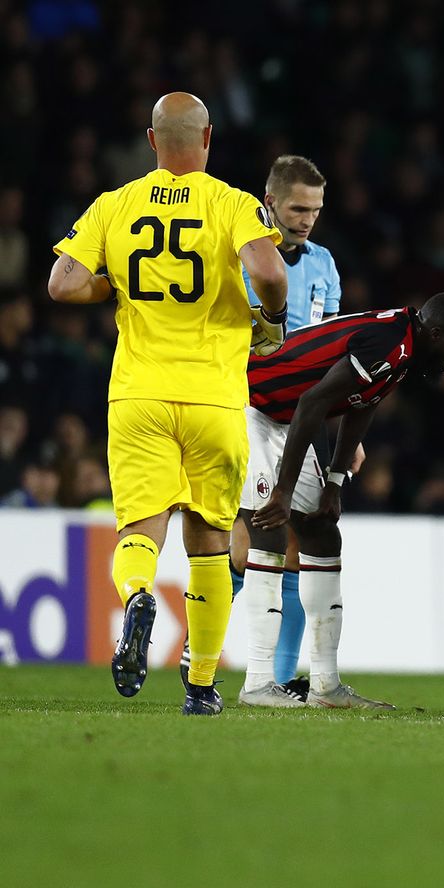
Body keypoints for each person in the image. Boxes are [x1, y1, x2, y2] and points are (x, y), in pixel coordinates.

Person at [47, 92, 288, 716]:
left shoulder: (115, 203)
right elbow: (268, 271)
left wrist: (114, 285)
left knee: (138, 531)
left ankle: (135, 598)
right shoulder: (233, 204)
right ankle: (202, 688)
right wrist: (273, 320)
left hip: (138, 394)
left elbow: (63, 283)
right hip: (213, 397)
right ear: (207, 138)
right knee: (210, 538)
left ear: (152, 143)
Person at [239, 294, 444, 708]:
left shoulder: (405, 350)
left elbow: (362, 405)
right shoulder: (389, 342)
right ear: (435, 334)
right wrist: (282, 491)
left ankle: (326, 687)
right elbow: (313, 402)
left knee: (322, 534)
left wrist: (333, 482)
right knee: (270, 528)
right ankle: (258, 683)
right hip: (248, 403)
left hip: (284, 417)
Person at [233, 154, 344, 689]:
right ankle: (201, 654)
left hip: (306, 417)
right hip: (248, 405)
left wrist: (342, 430)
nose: (307, 219)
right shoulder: (243, 256)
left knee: (304, 540)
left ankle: (281, 677)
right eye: (298, 208)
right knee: (250, 537)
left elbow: (333, 349)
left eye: (316, 210)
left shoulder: (324, 263)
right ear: (270, 201)